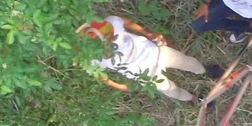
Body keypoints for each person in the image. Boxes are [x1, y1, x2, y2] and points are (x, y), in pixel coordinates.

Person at [81, 16, 213, 103]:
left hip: (154, 52)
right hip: (145, 75)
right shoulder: (92, 59)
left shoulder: (110, 24)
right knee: (171, 90)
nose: (109, 37)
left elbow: (126, 22)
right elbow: (101, 76)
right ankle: (194, 99)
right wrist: (120, 86)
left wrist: (147, 33)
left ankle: (205, 71)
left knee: (189, 62)